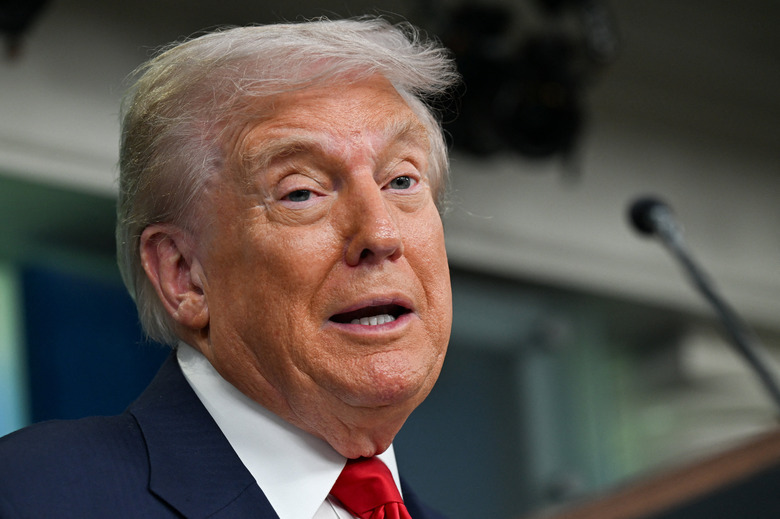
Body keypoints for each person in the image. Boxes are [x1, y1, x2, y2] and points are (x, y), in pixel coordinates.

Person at [0, 16, 458, 519]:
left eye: (401, 181)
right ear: (183, 274)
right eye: (300, 192)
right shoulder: (36, 494)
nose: (381, 235)